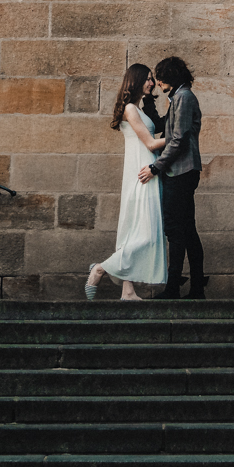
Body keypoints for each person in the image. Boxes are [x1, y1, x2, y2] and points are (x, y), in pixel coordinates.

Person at [86, 63, 167, 300]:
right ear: (136, 80)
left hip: (147, 171)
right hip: (142, 173)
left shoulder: (138, 108)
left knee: (136, 231)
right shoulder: (130, 109)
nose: (152, 83)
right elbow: (150, 143)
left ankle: (128, 291)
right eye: (148, 79)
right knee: (146, 234)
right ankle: (100, 268)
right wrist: (181, 135)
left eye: (152, 79)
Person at [140, 55, 205, 299]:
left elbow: (178, 140)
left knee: (175, 229)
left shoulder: (184, 97)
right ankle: (196, 289)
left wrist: (155, 167)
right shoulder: (177, 97)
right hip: (180, 171)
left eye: (160, 78)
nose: (157, 82)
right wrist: (148, 100)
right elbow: (161, 126)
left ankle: (173, 289)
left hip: (181, 172)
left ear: (171, 77)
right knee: (186, 230)